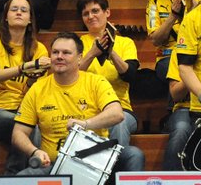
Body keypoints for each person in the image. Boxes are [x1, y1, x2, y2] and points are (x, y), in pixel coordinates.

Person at [11, 32, 145, 175]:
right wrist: (34, 151)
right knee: (22, 177)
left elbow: (117, 114)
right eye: (55, 52)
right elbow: (18, 133)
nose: (59, 56)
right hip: (54, 164)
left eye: (66, 53)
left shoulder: (96, 82)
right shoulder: (38, 88)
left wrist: (85, 124)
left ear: (79, 58)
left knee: (134, 154)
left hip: (95, 161)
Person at [0, 0, 50, 175]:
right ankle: (17, 176)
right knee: (24, 126)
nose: (19, 12)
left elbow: (34, 92)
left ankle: (20, 176)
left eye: (24, 10)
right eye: (14, 9)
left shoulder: (39, 49)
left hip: (25, 109)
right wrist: (25, 67)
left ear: (30, 19)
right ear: (6, 17)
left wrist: (32, 79)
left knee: (30, 123)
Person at [76, 0, 144, 164]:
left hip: (121, 108)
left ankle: (113, 169)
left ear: (107, 12)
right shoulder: (77, 43)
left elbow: (131, 75)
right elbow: (70, 75)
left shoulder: (125, 42)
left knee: (119, 122)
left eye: (95, 11)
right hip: (86, 109)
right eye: (85, 14)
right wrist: (92, 53)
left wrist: (110, 51)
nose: (91, 16)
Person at [146, 0, 201, 82]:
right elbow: (155, 40)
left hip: (197, 53)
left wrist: (193, 16)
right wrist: (173, 16)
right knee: (175, 72)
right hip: (168, 56)